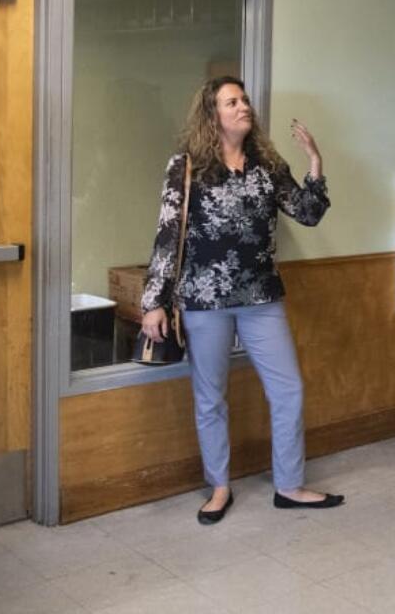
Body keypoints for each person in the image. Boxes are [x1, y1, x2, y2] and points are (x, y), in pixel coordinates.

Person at [140, 76, 343, 524]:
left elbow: (307, 214)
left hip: (261, 297)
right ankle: (219, 487)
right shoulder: (188, 165)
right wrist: (154, 301)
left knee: (288, 389)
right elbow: (167, 234)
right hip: (203, 301)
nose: (242, 107)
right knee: (210, 398)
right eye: (231, 102)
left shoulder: (267, 164)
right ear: (212, 115)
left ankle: (289, 486)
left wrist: (315, 162)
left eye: (244, 100)